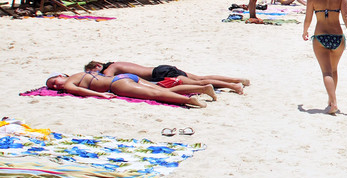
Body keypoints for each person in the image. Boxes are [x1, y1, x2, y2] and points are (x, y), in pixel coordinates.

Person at [302, 0, 347, 114]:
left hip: (320, 37)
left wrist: (305, 31)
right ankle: (331, 100)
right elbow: (346, 17)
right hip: (338, 37)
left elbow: (308, 18)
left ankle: (333, 102)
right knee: (334, 70)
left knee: (326, 72)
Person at [45, 71, 214, 108]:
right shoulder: (80, 73)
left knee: (156, 94)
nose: (55, 85)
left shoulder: (69, 83)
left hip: (116, 85)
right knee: (160, 88)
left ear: (61, 74)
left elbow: (80, 91)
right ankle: (203, 88)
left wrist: (99, 95)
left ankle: (189, 100)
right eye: (53, 86)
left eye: (54, 81)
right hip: (125, 77)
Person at [85, 61, 248, 94]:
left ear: (97, 66)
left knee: (200, 81)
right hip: (161, 68)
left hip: (159, 73)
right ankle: (235, 80)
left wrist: (92, 79)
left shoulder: (111, 67)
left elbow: (108, 80)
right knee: (200, 78)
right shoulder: (117, 63)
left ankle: (234, 86)